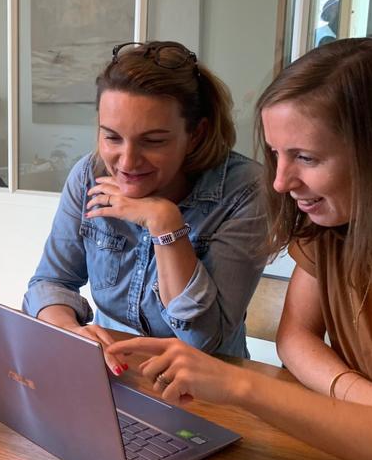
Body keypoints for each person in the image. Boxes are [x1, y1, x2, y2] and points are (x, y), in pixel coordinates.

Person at [108, 37, 372, 460]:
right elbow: (295, 340)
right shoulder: (332, 219)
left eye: (306, 157)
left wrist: (241, 385)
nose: (280, 182)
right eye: (275, 154)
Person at [23, 40, 267, 372]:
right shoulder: (88, 175)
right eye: (111, 137)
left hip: (210, 386)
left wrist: (166, 225)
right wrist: (72, 333)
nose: (127, 162)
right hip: (116, 373)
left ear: (196, 134)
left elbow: (204, 342)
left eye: (153, 141)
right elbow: (49, 283)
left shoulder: (246, 189)